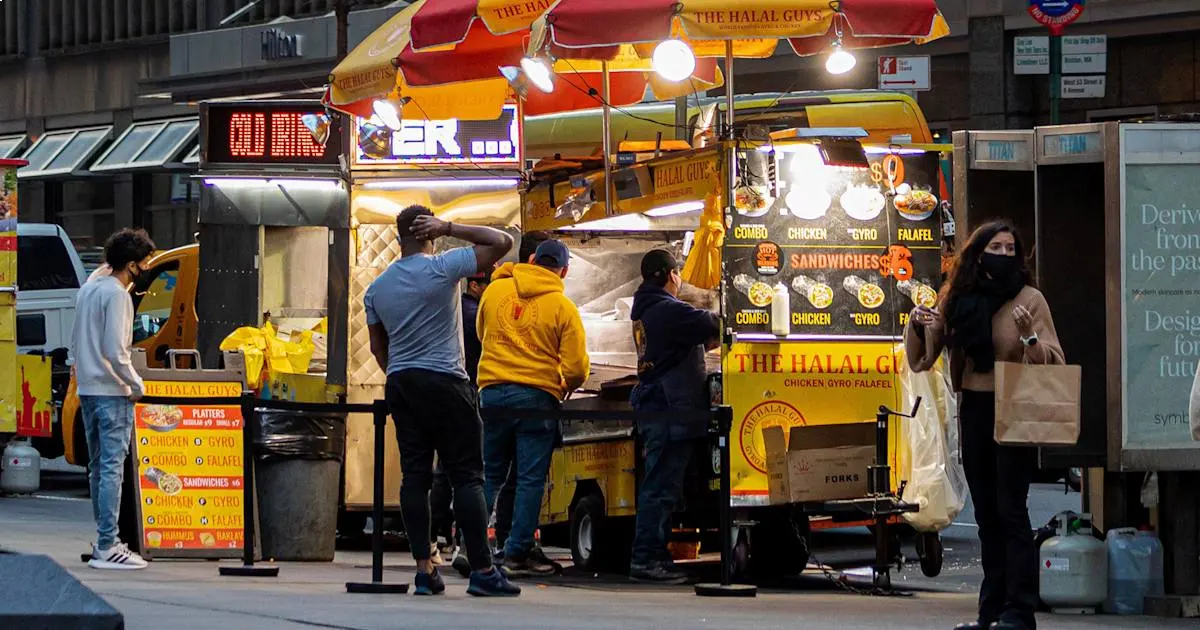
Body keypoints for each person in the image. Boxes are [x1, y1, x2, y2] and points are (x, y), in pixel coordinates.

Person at [905, 221, 1063, 630]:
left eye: (1012, 248)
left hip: (1016, 407)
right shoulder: (958, 297)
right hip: (974, 405)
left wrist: (1029, 338)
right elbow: (924, 356)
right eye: (997, 246)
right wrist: (918, 324)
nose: (1005, 255)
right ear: (978, 252)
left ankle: (1019, 610)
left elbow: (1053, 362)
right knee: (988, 516)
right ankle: (989, 610)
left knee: (1012, 510)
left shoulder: (1030, 300)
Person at [365, 205, 520, 597]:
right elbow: (503, 241)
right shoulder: (442, 267)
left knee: (414, 477)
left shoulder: (376, 289)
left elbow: (378, 349)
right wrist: (449, 226)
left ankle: (424, 571)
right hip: (446, 382)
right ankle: (483, 571)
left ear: (400, 237)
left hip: (401, 383)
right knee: (467, 475)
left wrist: (404, 373)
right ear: (428, 234)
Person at [477, 239, 590, 574]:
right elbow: (575, 369)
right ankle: (516, 554)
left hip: (492, 392)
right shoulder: (561, 306)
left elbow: (482, 334)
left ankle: (470, 547)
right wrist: (566, 385)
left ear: (531, 260)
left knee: (490, 474)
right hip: (536, 399)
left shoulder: (494, 292)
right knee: (529, 479)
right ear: (564, 270)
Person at [627, 249, 719, 584]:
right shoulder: (666, 309)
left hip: (659, 406)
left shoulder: (647, 308)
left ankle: (652, 556)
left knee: (662, 486)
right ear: (669, 274)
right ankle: (647, 559)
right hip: (668, 408)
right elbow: (710, 323)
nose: (679, 280)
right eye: (677, 273)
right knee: (660, 487)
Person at [72, 228, 156, 570]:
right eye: (145, 262)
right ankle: (109, 544)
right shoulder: (118, 296)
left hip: (87, 389)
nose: (147, 267)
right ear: (132, 265)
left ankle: (103, 539)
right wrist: (135, 384)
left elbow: (77, 342)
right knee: (110, 469)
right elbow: (116, 351)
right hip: (112, 391)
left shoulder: (89, 290)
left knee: (97, 469)